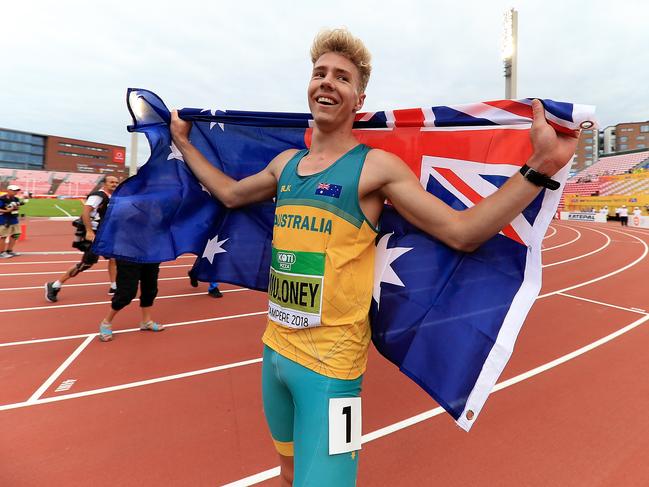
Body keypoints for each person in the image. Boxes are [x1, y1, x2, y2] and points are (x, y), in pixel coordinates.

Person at [170, 28, 578, 487]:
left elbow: (463, 233)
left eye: (341, 77)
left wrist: (539, 166)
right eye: (319, 73)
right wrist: (183, 143)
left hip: (331, 372)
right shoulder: (284, 165)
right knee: (285, 476)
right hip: (274, 355)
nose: (327, 81)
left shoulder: (375, 168)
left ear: (358, 99)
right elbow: (226, 193)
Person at [45, 176, 119, 302]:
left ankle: (114, 286)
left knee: (114, 258)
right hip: (95, 233)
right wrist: (89, 231)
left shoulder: (113, 197)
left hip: (105, 233)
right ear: (104, 184)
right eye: (112, 182)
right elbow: (85, 212)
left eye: (116, 182)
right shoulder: (98, 196)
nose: (115, 184)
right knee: (86, 263)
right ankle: (55, 284)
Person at [98, 260, 164, 342]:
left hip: (150, 254)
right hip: (129, 254)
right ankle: (106, 322)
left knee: (150, 288)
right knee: (126, 292)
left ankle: (146, 321)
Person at [0, 184, 24, 258]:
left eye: (17, 191)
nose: (16, 192)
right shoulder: (2, 199)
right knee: (3, 236)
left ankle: (9, 251)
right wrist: (6, 210)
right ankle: (1, 253)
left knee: (16, 234)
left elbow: (16, 208)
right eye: (14, 191)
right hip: (4, 219)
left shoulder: (16, 199)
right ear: (8, 190)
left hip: (14, 218)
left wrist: (16, 208)